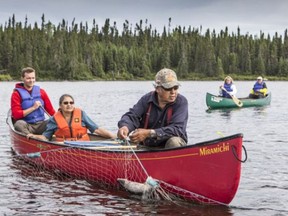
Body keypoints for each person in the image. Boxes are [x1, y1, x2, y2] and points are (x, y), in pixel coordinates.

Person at [117, 68, 188, 149]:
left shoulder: (181, 102)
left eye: (175, 87)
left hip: (171, 145)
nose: (173, 92)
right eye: (168, 88)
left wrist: (149, 133)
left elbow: (178, 129)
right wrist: (125, 127)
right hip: (148, 144)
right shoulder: (146, 99)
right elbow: (132, 116)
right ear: (158, 89)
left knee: (174, 142)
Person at [27, 94, 116, 141]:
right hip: (64, 148)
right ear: (60, 105)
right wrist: (33, 136)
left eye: (71, 103)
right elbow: (46, 137)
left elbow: (97, 130)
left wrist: (113, 136)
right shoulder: (54, 119)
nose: (69, 105)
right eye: (66, 103)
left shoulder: (81, 114)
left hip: (83, 145)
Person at [10, 67, 55, 135]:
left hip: (41, 125)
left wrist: (61, 119)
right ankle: (31, 137)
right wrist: (33, 108)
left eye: (33, 78)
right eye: (28, 78)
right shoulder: (16, 94)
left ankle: (45, 137)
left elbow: (51, 111)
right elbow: (16, 115)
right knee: (18, 124)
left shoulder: (42, 92)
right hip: (27, 125)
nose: (31, 80)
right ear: (22, 78)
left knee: (55, 122)